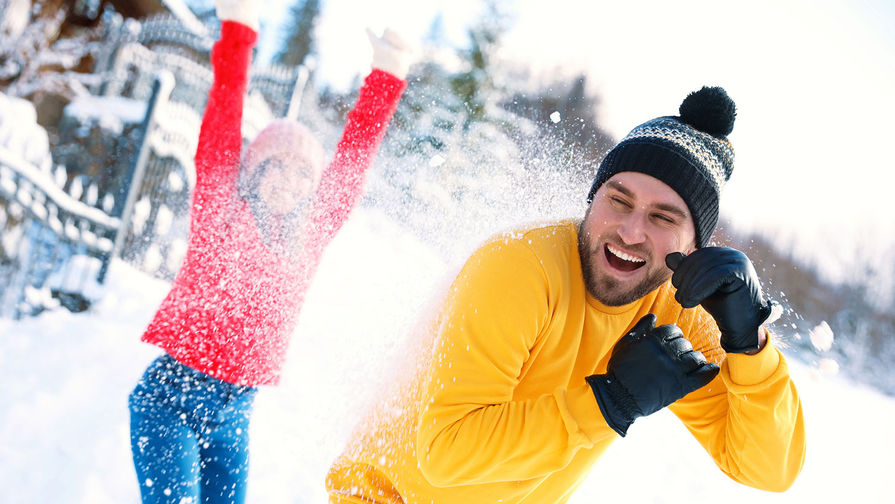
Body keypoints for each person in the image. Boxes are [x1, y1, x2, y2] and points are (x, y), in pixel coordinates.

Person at [326, 86, 806, 503]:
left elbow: (766, 470)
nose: (631, 231)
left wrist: (749, 344)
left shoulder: (676, 309)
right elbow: (445, 453)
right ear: (592, 199)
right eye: (618, 200)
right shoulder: (520, 269)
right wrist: (609, 403)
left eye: (663, 218)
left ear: (694, 246)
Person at [127, 0, 413, 502]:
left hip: (236, 411)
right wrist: (238, 27)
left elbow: (353, 157)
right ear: (253, 167)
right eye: (277, 165)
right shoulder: (220, 206)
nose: (290, 180)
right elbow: (225, 103)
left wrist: (386, 76)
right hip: (170, 397)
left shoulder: (310, 234)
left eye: (304, 173)